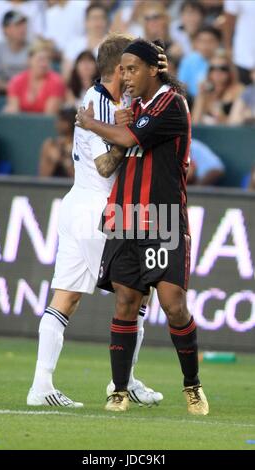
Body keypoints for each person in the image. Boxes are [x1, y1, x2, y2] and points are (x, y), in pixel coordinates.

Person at [27, 33, 167, 408]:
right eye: (130, 64)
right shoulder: (100, 105)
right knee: (137, 293)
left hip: (78, 204)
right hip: (99, 210)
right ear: (119, 68)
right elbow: (106, 164)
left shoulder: (101, 100)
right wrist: (129, 136)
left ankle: (41, 386)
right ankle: (126, 381)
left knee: (66, 298)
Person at [76, 38, 209, 415]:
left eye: (133, 69)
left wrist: (90, 122)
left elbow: (130, 138)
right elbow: (121, 147)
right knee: (125, 303)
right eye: (122, 69)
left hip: (162, 216)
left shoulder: (170, 103)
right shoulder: (132, 106)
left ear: (154, 70)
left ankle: (192, 385)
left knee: (173, 305)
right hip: (123, 214)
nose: (125, 76)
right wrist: (118, 121)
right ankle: (118, 390)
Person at [4, 39, 66, 114]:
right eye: (40, 59)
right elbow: (13, 112)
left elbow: (49, 116)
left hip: (44, 125)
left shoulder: (56, 81)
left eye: (48, 59)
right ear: (29, 60)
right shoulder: (16, 81)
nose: (44, 64)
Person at [192, 49, 243, 125]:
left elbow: (236, 124)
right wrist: (201, 96)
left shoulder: (239, 90)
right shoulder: (205, 91)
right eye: (213, 68)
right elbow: (194, 123)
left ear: (230, 71)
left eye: (223, 68)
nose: (217, 72)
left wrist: (219, 115)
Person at [178, 25, 221, 98]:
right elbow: (182, 85)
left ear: (218, 43)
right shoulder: (188, 60)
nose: (205, 45)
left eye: (210, 41)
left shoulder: (223, 61)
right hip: (192, 100)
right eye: (202, 41)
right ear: (196, 43)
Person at [0, 11, 29, 97]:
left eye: (23, 25)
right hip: (2, 91)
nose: (22, 29)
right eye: (17, 25)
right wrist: (11, 87)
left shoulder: (33, 48)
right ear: (6, 29)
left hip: (27, 93)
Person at [39, 106, 76, 178]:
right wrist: (53, 161)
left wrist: (64, 160)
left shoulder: (79, 146)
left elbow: (78, 179)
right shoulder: (50, 145)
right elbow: (42, 177)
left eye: (63, 120)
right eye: (59, 120)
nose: (58, 123)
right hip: (52, 188)